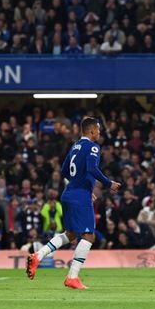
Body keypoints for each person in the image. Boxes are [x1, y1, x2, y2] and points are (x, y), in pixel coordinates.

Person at [26, 117, 120, 289]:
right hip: (80, 197)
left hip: (68, 194)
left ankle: (38, 256)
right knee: (88, 235)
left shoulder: (75, 146)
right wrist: (108, 184)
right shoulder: (93, 146)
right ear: (92, 131)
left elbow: (64, 170)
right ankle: (72, 277)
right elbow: (92, 168)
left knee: (70, 234)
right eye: (98, 130)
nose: (99, 133)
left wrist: (80, 184)